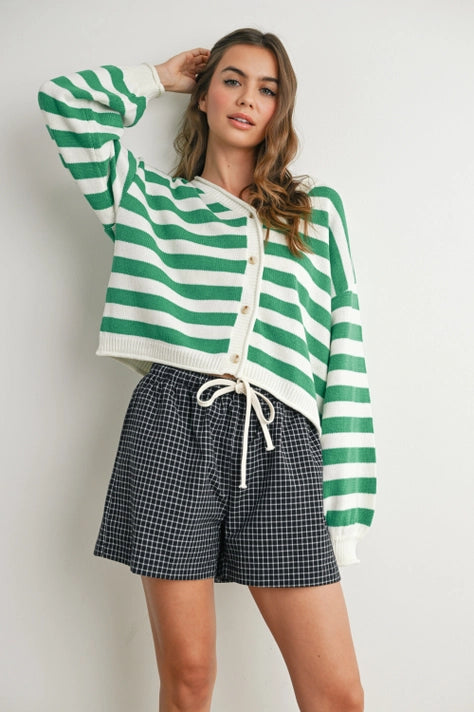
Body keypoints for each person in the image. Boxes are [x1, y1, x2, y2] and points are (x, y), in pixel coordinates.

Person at [39, 27, 376, 712]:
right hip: (172, 427)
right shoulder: (148, 202)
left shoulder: (316, 214)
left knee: (337, 696)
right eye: (231, 80)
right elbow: (63, 104)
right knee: (189, 682)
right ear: (204, 95)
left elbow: (345, 352)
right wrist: (159, 77)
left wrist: (346, 500)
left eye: (267, 89)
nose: (247, 99)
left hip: (281, 440)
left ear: (280, 108)